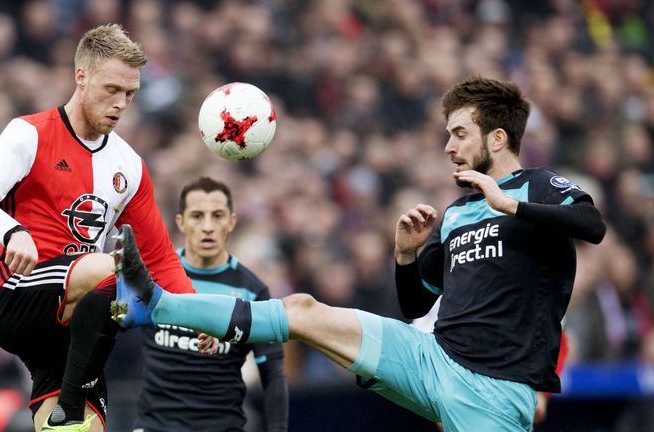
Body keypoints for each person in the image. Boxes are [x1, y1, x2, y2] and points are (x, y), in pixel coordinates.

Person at [110, 76, 607, 432]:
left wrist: (511, 205)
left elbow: (593, 225)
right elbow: (416, 305)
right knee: (302, 309)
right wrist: (405, 256)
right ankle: (154, 303)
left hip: (494, 389)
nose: (448, 146)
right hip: (431, 357)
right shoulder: (456, 214)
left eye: (459, 133)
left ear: (497, 138)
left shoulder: (539, 188)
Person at [0, 24, 212, 432]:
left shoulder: (129, 166)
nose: (121, 104)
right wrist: (11, 231)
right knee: (113, 268)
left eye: (130, 94)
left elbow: (160, 255)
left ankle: (68, 409)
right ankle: (72, 401)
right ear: (81, 76)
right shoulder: (30, 134)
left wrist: (198, 313)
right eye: (112, 89)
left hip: (74, 328)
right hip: (16, 292)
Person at [132, 176, 288, 432]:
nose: (207, 226)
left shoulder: (253, 290)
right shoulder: (152, 278)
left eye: (217, 215)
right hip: (154, 426)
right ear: (180, 222)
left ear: (231, 221)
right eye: (197, 215)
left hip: (221, 426)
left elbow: (272, 373)